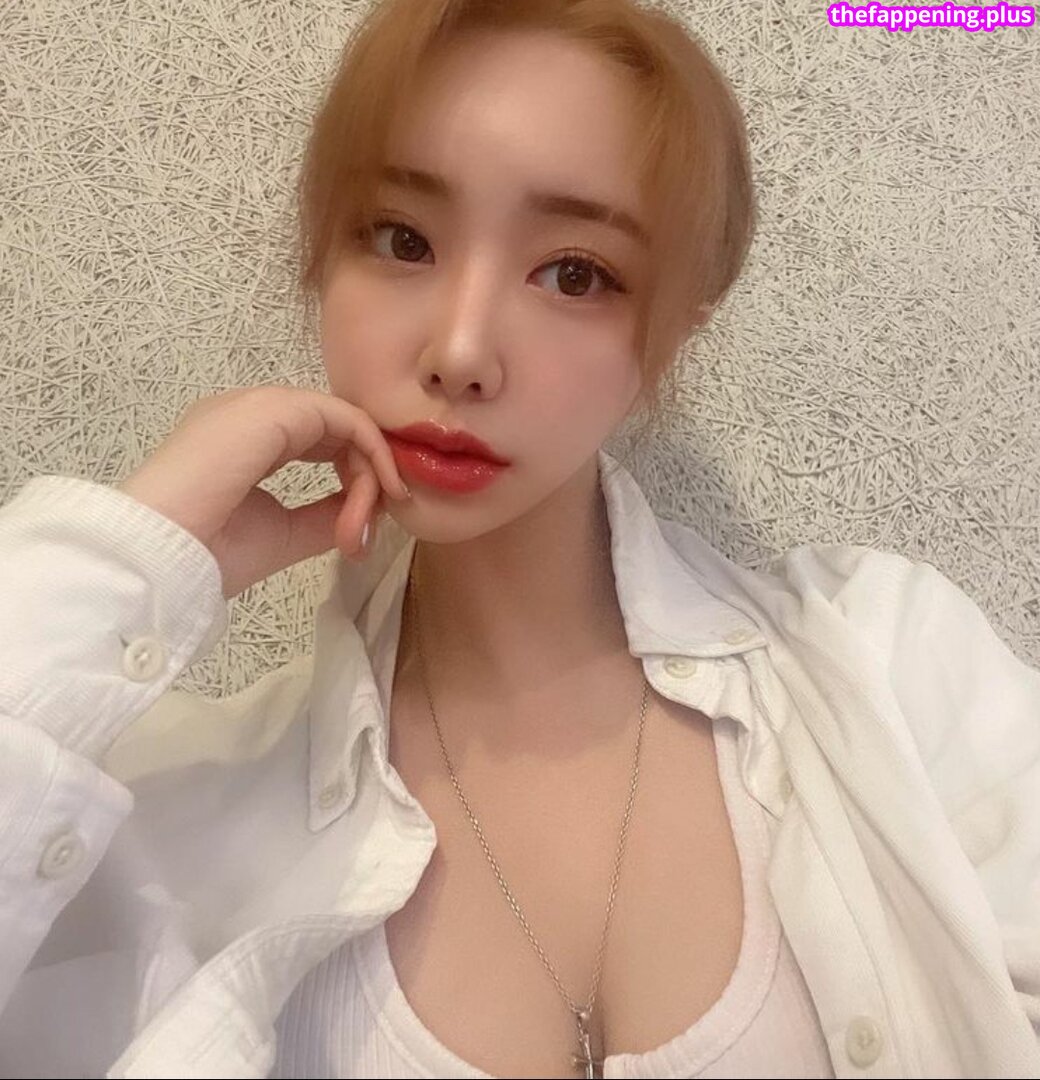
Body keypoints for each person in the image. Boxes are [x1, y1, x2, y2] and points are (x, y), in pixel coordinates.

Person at [0, 0, 1037, 1077]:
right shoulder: (159, 820)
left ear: (675, 325)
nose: (459, 353)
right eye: (401, 239)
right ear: (321, 259)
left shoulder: (887, 667)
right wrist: (133, 558)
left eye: (574, 273)